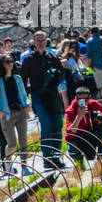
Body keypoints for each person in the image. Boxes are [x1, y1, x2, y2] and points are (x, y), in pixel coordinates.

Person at [21, 29, 67, 169]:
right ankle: (48, 158)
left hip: (53, 95)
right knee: (46, 126)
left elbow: (62, 74)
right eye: (38, 40)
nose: (41, 43)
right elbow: (23, 81)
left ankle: (56, 156)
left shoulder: (53, 56)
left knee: (58, 125)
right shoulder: (28, 60)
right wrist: (27, 98)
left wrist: (53, 79)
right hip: (38, 96)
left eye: (43, 40)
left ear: (46, 41)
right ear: (34, 42)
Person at [65, 84, 102, 165]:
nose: (83, 102)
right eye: (80, 99)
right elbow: (71, 131)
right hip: (77, 139)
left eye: (85, 99)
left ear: (89, 98)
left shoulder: (94, 104)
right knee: (73, 148)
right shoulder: (70, 110)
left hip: (91, 136)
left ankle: (101, 158)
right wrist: (79, 116)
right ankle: (80, 165)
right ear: (76, 98)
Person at [86, 25, 102, 104]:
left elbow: (89, 55)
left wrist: (88, 66)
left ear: (91, 32)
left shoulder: (90, 41)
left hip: (97, 65)